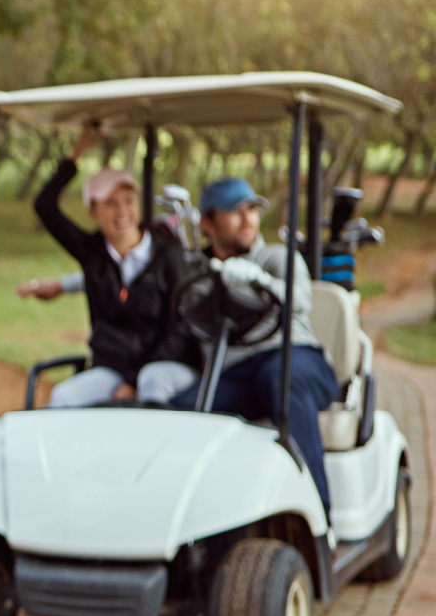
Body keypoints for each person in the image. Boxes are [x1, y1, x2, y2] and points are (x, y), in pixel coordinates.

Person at [170, 178, 339, 514]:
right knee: (182, 409)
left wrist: (259, 280)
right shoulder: (200, 274)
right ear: (208, 223)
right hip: (238, 373)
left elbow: (301, 299)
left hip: (297, 359)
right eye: (234, 211)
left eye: (251, 209)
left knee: (278, 378)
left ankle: (319, 515)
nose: (247, 218)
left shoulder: (276, 257)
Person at [32, 127, 199, 406]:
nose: (122, 212)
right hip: (113, 369)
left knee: (151, 384)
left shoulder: (168, 253)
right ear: (92, 212)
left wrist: (133, 381)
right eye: (110, 203)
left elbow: (179, 329)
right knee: (62, 398)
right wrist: (75, 155)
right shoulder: (92, 254)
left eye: (128, 201)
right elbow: (45, 205)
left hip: (166, 366)